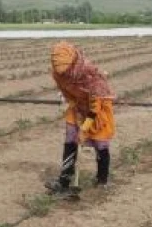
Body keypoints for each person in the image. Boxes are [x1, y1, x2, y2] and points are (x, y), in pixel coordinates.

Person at [46, 41, 115, 196]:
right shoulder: (58, 73)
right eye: (60, 72)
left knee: (101, 144)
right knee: (70, 140)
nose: (63, 74)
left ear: (72, 62)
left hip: (97, 109)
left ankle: (102, 180)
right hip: (77, 106)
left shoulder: (90, 75)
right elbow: (65, 91)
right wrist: (73, 105)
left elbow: (95, 106)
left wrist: (84, 129)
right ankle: (64, 180)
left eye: (65, 71)